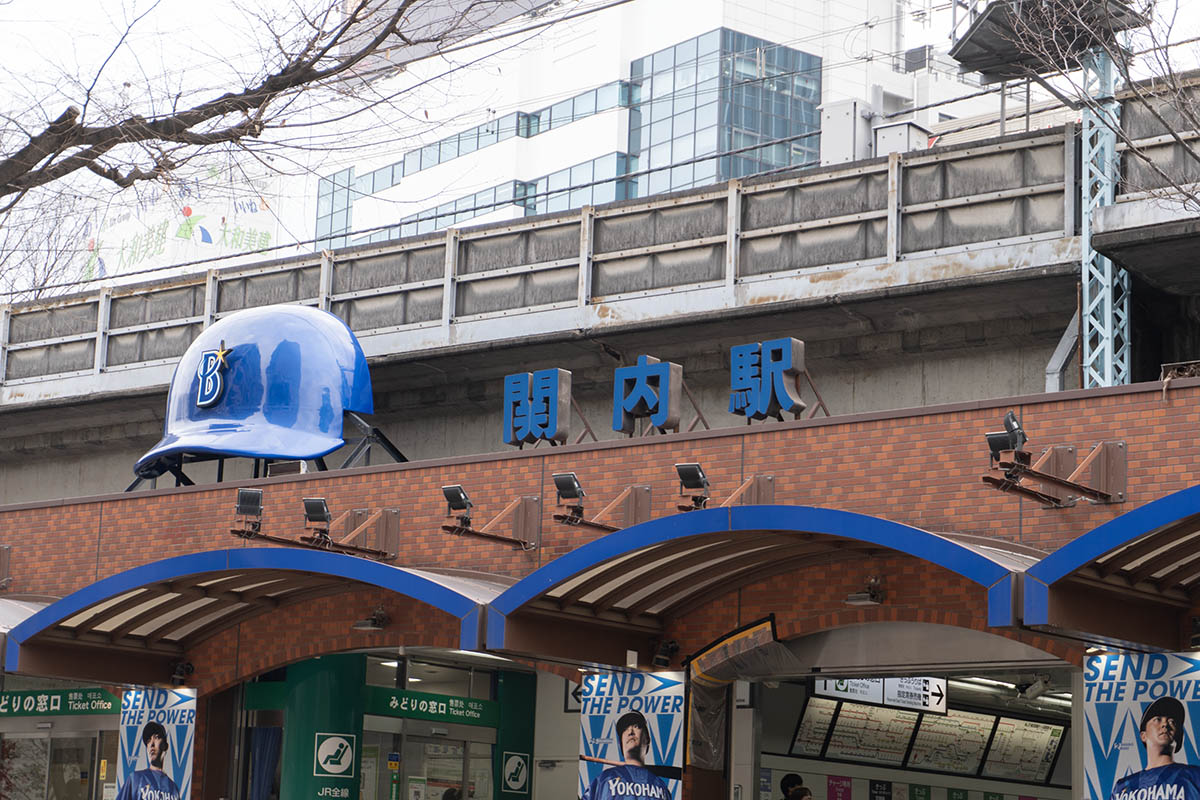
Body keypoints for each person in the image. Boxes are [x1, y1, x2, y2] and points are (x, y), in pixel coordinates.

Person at [1111, 696, 1200, 800]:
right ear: (1143, 735)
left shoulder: (1195, 776)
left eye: (1172, 722)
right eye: (1157, 719)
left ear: (1178, 735)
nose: (1165, 724)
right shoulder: (1121, 787)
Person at [583, 711, 672, 800]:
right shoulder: (603, 779)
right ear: (620, 744)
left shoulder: (660, 786)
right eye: (625, 729)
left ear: (647, 739)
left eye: (636, 726)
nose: (630, 731)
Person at [116, 721, 181, 800]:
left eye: (156, 737)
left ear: (165, 746)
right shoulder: (135, 779)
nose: (151, 744)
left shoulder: (173, 788)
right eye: (148, 741)